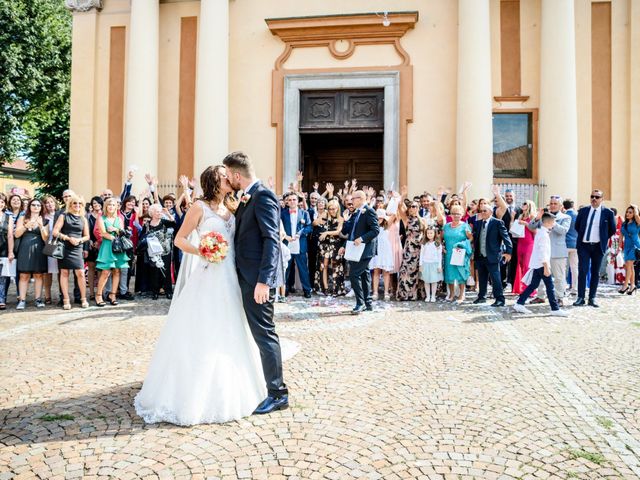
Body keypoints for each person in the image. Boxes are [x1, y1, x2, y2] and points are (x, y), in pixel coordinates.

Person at [135, 164, 271, 425]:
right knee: (205, 327)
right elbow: (180, 240)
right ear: (214, 180)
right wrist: (204, 251)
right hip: (209, 275)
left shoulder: (233, 206)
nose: (229, 177)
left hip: (231, 275)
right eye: (224, 175)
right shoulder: (200, 207)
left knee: (232, 327)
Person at [224, 152, 289, 415]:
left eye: (229, 175)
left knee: (265, 333)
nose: (228, 179)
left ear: (237, 175)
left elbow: (271, 239)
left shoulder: (263, 195)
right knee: (255, 332)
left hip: (256, 280)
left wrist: (265, 281)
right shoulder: (248, 195)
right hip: (244, 275)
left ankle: (277, 393)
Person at [513, 213, 570, 317]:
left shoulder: (541, 232)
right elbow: (543, 251)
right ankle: (555, 308)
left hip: (538, 264)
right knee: (550, 286)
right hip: (541, 264)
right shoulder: (543, 234)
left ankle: (519, 303)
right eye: (553, 222)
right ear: (548, 222)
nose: (554, 224)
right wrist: (546, 266)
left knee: (533, 285)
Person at [339, 190, 380, 314]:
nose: (351, 201)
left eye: (353, 199)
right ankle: (367, 303)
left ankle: (360, 303)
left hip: (365, 249)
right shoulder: (356, 212)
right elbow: (350, 232)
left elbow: (375, 230)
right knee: (364, 275)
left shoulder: (369, 211)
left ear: (360, 198)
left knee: (353, 274)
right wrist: (344, 245)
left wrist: (362, 239)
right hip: (356, 249)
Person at [573, 189, 616, 307]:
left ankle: (592, 298)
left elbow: (612, 229)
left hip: (598, 246)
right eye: (592, 196)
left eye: (597, 197)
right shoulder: (583, 211)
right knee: (582, 270)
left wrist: (602, 238)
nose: (594, 199)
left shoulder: (608, 213)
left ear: (602, 199)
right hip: (584, 246)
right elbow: (578, 226)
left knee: (595, 272)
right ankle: (580, 297)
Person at [528, 196, 571, 306]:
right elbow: (530, 226)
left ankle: (559, 297)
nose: (552, 205)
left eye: (555, 204)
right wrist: (538, 217)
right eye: (551, 203)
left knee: (558, 276)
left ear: (560, 206)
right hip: (543, 252)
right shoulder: (544, 217)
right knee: (542, 277)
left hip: (557, 251)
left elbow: (563, 231)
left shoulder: (565, 217)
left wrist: (552, 221)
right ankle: (541, 296)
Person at [52, 195, 90, 309]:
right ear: (70, 204)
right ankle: (66, 299)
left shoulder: (83, 218)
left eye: (79, 203)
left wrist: (79, 240)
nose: (77, 205)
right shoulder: (63, 216)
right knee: (64, 273)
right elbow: (55, 232)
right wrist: (68, 238)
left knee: (81, 273)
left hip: (77, 248)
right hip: (65, 247)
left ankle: (83, 299)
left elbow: (87, 236)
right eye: (74, 203)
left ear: (82, 206)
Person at [472, 204, 512, 307]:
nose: (482, 213)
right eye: (481, 211)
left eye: (485, 211)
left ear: (490, 212)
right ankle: (482, 297)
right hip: (480, 255)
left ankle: (500, 299)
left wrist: (508, 252)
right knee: (482, 277)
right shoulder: (478, 223)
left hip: (493, 255)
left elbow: (506, 238)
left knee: (496, 278)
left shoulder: (497, 223)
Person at [14, 198, 49, 309]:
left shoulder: (44, 220)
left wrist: (41, 226)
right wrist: (26, 226)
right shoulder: (22, 218)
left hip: (39, 248)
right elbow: (16, 235)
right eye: (33, 205)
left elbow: (45, 238)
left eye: (38, 205)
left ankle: (38, 299)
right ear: (29, 206)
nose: (36, 207)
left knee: (38, 274)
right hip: (25, 247)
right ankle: (22, 300)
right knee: (24, 275)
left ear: (41, 207)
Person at [95, 197, 129, 307]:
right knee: (105, 272)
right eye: (109, 205)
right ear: (106, 206)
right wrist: (111, 235)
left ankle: (112, 295)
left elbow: (122, 232)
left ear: (116, 207)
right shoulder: (101, 218)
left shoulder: (119, 218)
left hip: (118, 247)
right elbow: (102, 233)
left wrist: (115, 230)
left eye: (113, 205)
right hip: (107, 247)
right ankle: (99, 295)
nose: (111, 207)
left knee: (117, 271)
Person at [139, 204, 176, 300]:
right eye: (157, 211)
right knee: (154, 271)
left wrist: (167, 213)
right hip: (153, 252)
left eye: (160, 211)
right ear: (152, 213)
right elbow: (142, 236)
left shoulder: (164, 222)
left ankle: (168, 291)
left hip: (165, 250)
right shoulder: (147, 224)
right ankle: (155, 292)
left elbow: (174, 223)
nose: (159, 213)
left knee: (166, 270)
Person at [281, 192, 313, 298]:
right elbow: (278, 226)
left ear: (298, 201)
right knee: (286, 268)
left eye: (294, 199)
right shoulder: (282, 213)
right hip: (287, 243)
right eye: (290, 200)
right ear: (287, 202)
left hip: (300, 244)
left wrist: (301, 233)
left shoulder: (304, 213)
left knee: (303, 268)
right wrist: (285, 236)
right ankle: (284, 289)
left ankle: (307, 290)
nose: (292, 202)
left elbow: (309, 227)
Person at [396, 192, 425, 301]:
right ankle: (404, 294)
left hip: (419, 248)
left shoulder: (422, 220)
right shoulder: (407, 219)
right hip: (409, 248)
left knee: (417, 271)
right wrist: (402, 196)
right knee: (406, 271)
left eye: (415, 206)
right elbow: (399, 207)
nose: (413, 208)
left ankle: (415, 294)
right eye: (411, 206)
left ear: (418, 208)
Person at [314, 199, 346, 296]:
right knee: (324, 265)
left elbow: (337, 232)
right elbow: (314, 223)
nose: (332, 210)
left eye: (334, 209)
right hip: (324, 244)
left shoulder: (341, 218)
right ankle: (326, 288)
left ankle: (337, 289)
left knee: (336, 266)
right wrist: (319, 221)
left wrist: (326, 232)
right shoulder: (325, 215)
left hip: (335, 244)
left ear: (338, 208)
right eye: (330, 208)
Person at [442, 205, 473, 304]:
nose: (456, 215)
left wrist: (463, 245)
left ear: (462, 215)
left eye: (458, 214)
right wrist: (441, 247)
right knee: (449, 273)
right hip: (448, 253)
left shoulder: (465, 226)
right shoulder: (446, 226)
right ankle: (451, 294)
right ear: (450, 214)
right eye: (454, 213)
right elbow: (439, 238)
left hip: (460, 253)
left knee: (460, 273)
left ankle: (461, 294)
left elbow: (471, 238)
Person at [511, 200, 536, 295]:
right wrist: (513, 218)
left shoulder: (532, 217)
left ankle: (529, 290)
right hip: (520, 242)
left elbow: (535, 230)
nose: (523, 205)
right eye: (523, 203)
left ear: (529, 205)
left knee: (527, 265)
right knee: (520, 265)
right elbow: (512, 228)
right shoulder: (521, 216)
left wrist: (526, 224)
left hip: (529, 243)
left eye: (525, 203)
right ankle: (520, 288)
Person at [370, 207, 395, 301]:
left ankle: (386, 292)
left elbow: (394, 214)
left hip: (385, 251)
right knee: (376, 271)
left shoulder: (387, 225)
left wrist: (387, 212)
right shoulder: (373, 226)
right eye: (377, 218)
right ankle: (375, 292)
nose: (379, 220)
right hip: (376, 250)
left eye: (381, 218)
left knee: (386, 271)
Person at [619, 205, 640, 295]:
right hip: (626, 246)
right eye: (627, 212)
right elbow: (621, 235)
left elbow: (637, 216)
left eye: (630, 212)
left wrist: (634, 208)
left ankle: (625, 285)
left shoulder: (637, 222)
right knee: (630, 267)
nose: (628, 214)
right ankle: (632, 285)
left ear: (634, 213)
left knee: (629, 266)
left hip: (634, 246)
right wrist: (619, 247)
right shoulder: (624, 224)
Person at [419, 225, 443, 302]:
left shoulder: (437, 244)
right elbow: (421, 254)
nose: (429, 235)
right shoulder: (424, 243)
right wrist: (420, 265)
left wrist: (439, 266)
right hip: (425, 264)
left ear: (434, 233)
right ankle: (428, 296)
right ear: (426, 234)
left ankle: (433, 296)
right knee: (426, 281)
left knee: (433, 281)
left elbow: (439, 255)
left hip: (434, 264)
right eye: (428, 233)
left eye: (431, 233)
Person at [86, 196, 103, 300]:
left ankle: (100, 292)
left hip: (102, 245)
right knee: (91, 269)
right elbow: (86, 230)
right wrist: (90, 241)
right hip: (91, 245)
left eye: (98, 203)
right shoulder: (88, 216)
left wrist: (99, 241)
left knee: (101, 269)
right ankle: (91, 292)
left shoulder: (104, 215)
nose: (96, 205)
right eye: (94, 203)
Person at [0, 196, 14, 309]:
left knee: (3, 275)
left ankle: (1, 298)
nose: (0, 204)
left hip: (3, 247)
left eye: (2, 202)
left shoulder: (9, 216)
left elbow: (10, 235)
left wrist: (10, 252)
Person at [563, 199, 579, 293]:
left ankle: (563, 287)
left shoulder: (564, 215)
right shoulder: (577, 215)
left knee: (563, 267)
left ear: (564, 206)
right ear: (573, 205)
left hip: (565, 243)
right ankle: (574, 288)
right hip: (576, 244)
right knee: (574, 267)